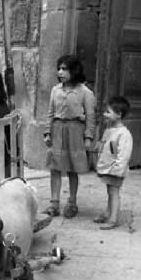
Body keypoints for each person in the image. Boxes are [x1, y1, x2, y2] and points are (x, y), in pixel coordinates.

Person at [43, 54, 96, 218]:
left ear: (74, 70)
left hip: (75, 131)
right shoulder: (55, 90)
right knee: (55, 167)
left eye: (64, 69)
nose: (60, 72)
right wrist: (47, 132)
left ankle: (72, 203)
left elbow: (91, 116)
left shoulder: (85, 92)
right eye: (59, 68)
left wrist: (88, 136)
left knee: (73, 169)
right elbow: (50, 113)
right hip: (58, 130)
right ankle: (54, 203)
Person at [94, 96, 133, 230]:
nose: (105, 114)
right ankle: (108, 212)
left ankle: (113, 219)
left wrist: (118, 170)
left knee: (114, 192)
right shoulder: (109, 129)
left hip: (115, 170)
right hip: (107, 168)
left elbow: (124, 155)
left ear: (119, 115)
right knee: (109, 192)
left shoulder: (124, 134)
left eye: (108, 112)